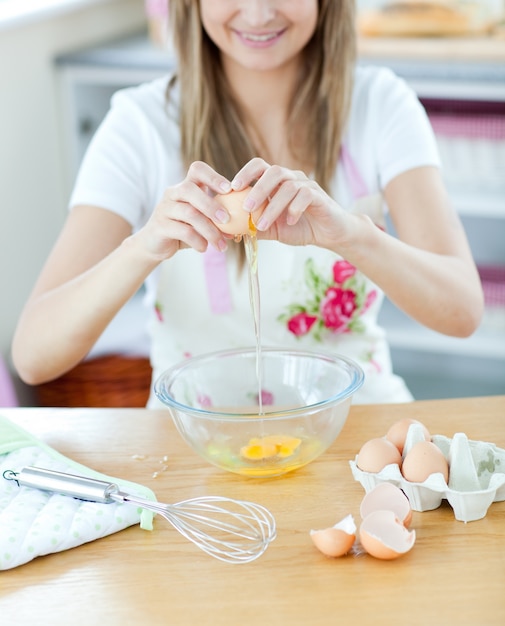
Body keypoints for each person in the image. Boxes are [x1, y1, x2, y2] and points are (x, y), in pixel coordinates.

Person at [12, 0, 484, 405]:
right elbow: (34, 356)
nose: (258, 14)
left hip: (358, 431)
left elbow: (462, 310)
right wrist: (144, 246)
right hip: (195, 450)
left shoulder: (380, 104)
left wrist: (352, 236)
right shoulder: (138, 126)